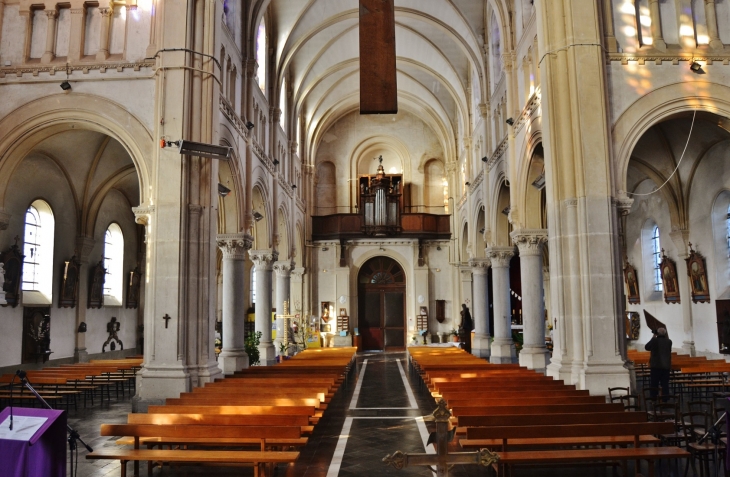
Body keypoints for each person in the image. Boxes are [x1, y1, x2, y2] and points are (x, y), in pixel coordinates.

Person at [644, 327, 672, 401]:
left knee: (654, 383)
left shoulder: (654, 341)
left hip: (656, 366)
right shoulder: (669, 341)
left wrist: (654, 336)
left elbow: (647, 347)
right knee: (665, 384)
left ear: (657, 333)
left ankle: (653, 398)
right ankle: (665, 399)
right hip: (666, 366)